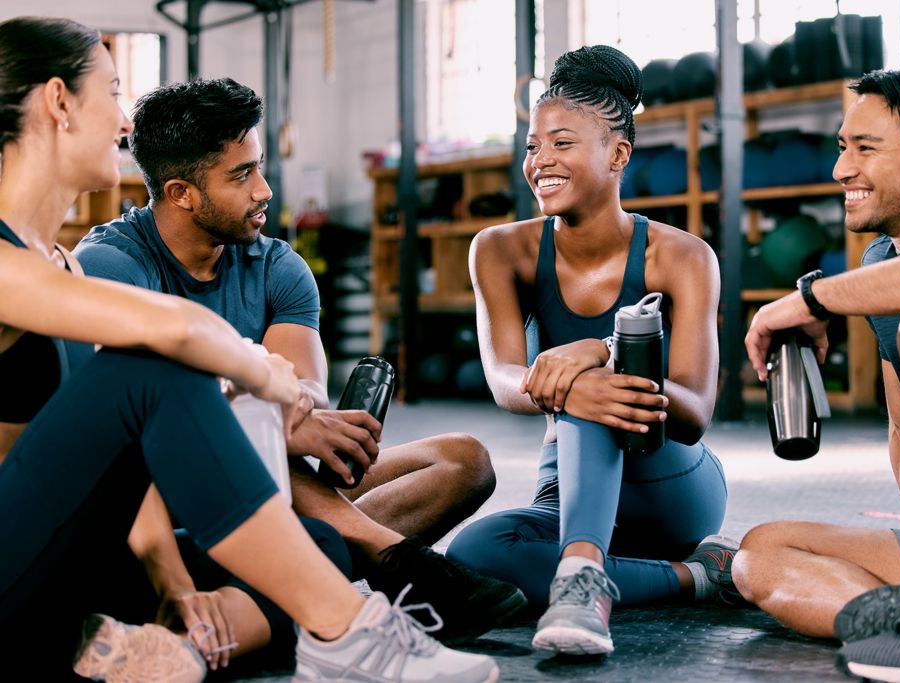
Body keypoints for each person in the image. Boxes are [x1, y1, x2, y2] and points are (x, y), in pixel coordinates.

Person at [0, 15, 499, 683]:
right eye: (113, 90)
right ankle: (341, 627)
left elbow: (111, 456)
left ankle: (155, 640)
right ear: (59, 102)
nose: (123, 120)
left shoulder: (59, 263)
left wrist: (168, 573)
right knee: (158, 367)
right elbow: (176, 335)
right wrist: (263, 375)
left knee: (321, 542)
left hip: (64, 557)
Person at [444, 44, 742, 658]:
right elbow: (503, 378)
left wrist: (602, 354)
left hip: (669, 481)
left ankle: (583, 576)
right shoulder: (500, 250)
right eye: (533, 146)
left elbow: (694, 412)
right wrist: (572, 380)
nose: (541, 161)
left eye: (562, 143)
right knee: (474, 555)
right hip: (566, 489)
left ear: (618, 154)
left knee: (589, 389)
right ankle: (699, 576)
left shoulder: (683, 256)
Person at [737, 68, 900, 683]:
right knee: (762, 554)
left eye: (865, 149)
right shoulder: (880, 265)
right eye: (841, 146)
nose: (841, 170)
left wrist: (813, 299)